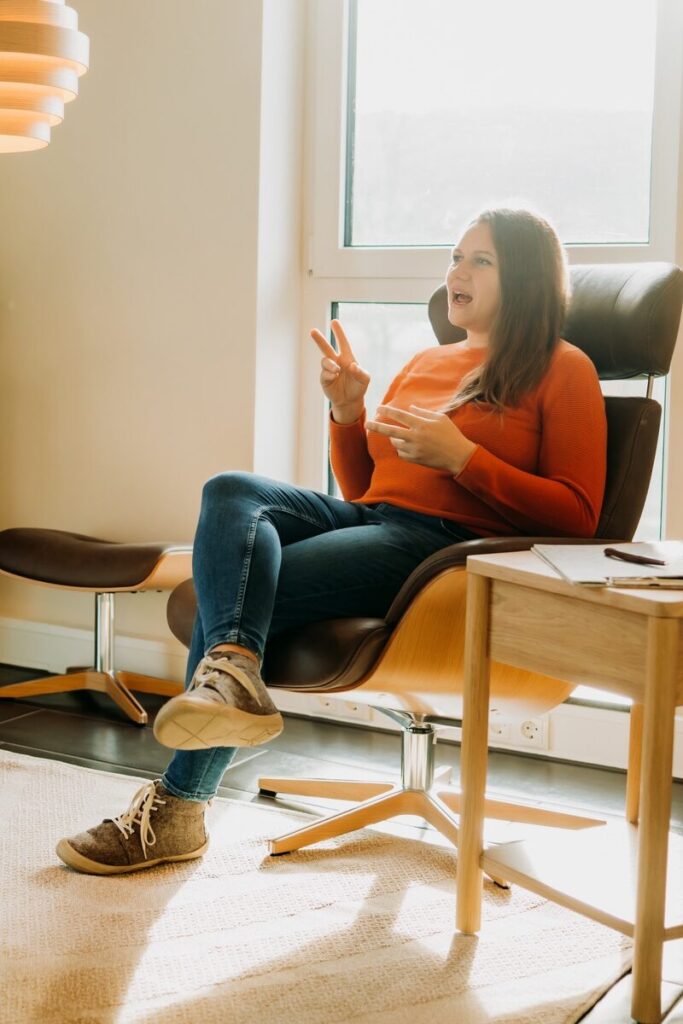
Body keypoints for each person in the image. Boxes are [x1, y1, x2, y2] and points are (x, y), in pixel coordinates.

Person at [56, 207, 607, 875]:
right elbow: (365, 486)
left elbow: (579, 517)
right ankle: (232, 673)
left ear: (524, 277)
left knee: (226, 595)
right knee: (231, 492)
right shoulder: (427, 361)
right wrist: (347, 412)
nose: (456, 272)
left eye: (479, 260)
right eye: (455, 257)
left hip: (441, 553)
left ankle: (179, 807)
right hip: (372, 519)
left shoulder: (562, 367)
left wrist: (464, 459)